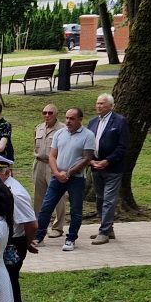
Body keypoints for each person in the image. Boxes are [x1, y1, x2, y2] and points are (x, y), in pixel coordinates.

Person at [33, 108, 95, 252]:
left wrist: (68, 173)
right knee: (46, 207)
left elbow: (87, 158)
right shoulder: (60, 133)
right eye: (67, 118)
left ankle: (71, 239)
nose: (68, 121)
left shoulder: (88, 135)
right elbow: (52, 156)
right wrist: (57, 172)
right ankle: (39, 236)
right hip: (57, 177)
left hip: (76, 179)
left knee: (76, 210)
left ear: (80, 119)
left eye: (72, 118)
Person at [0, 154, 38, 302]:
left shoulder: (15, 193)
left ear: (6, 172)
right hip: (8, 241)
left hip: (14, 243)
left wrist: (26, 243)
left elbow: (31, 224)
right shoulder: (2, 188)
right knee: (4, 287)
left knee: (11, 287)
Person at [88, 93, 130, 245]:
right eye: (97, 103)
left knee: (109, 200)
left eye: (102, 104)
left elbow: (123, 146)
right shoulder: (92, 122)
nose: (99, 106)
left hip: (112, 168)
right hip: (95, 166)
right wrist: (91, 161)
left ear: (111, 106)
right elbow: (87, 144)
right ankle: (107, 227)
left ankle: (104, 232)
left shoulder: (120, 121)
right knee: (100, 198)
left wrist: (107, 161)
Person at [32, 104, 66, 240]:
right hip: (39, 163)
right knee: (38, 197)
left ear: (56, 114)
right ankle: (39, 227)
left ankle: (58, 227)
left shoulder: (63, 129)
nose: (47, 115)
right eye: (44, 112)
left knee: (58, 197)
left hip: (54, 165)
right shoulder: (39, 127)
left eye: (50, 113)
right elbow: (35, 146)